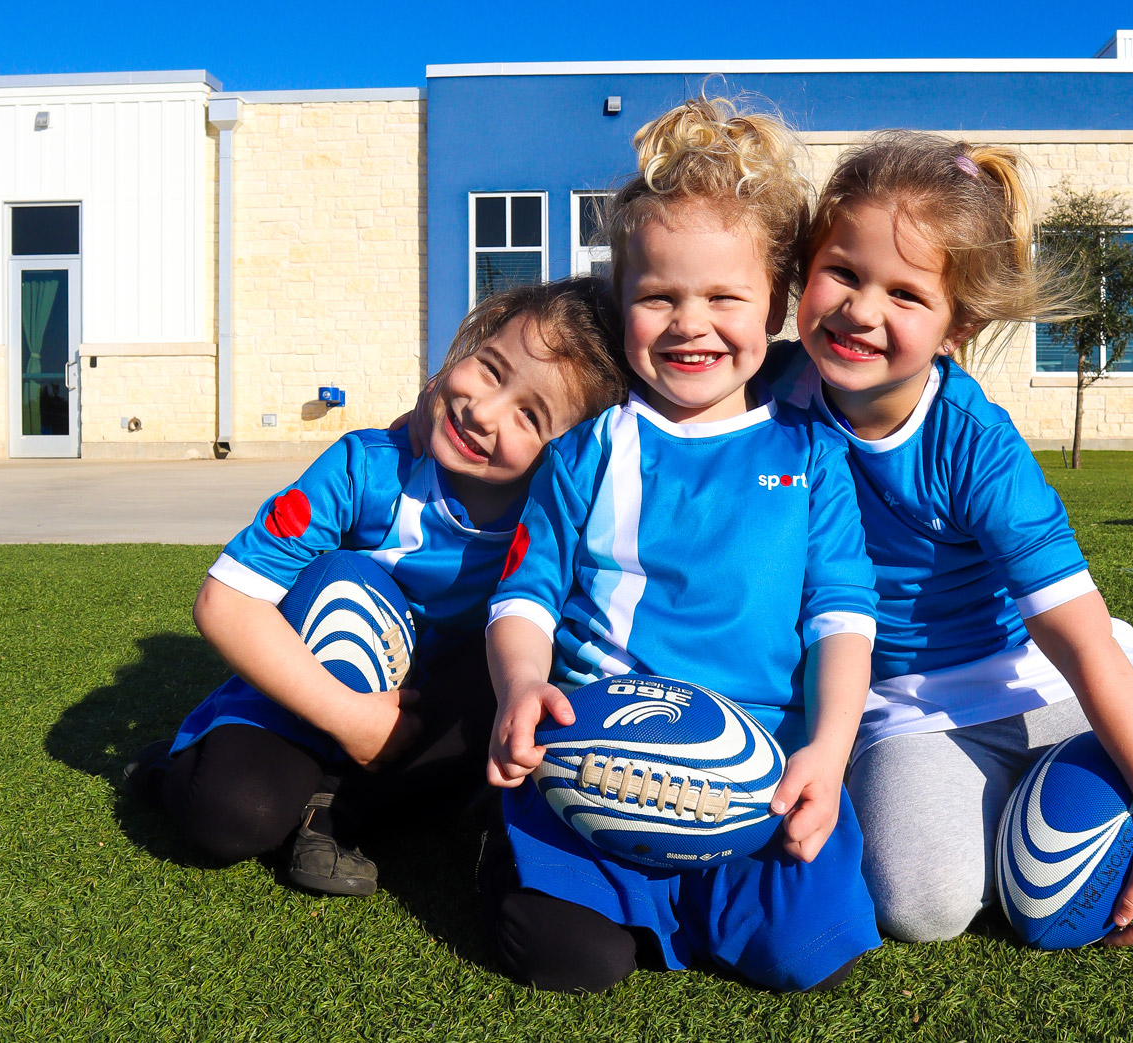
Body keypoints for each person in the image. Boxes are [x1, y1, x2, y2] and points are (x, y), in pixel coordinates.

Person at [765, 131, 1133, 945]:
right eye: (843, 272)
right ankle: (1040, 799)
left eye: (907, 295)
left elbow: (1083, 643)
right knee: (922, 904)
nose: (862, 310)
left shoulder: (973, 445)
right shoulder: (768, 387)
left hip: (1052, 680)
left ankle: (1089, 772)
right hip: (906, 709)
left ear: (959, 324)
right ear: (806, 268)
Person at [479, 97, 882, 993]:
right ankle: (517, 849)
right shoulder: (586, 451)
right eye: (658, 296)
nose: (689, 323)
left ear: (775, 303)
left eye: (723, 297)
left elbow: (842, 616)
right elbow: (524, 599)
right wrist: (520, 685)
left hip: (759, 775)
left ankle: (714, 893)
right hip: (600, 766)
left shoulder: (811, 451)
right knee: (570, 958)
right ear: (621, 300)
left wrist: (829, 749)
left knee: (807, 952)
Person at [124, 277, 628, 896]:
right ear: (466, 347)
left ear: (569, 449)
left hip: (422, 726)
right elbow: (224, 602)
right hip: (318, 687)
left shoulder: (558, 517)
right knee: (234, 816)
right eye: (490, 369)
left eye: (530, 414)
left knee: (512, 675)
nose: (484, 412)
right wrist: (352, 718)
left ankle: (334, 810)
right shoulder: (367, 467)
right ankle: (175, 764)